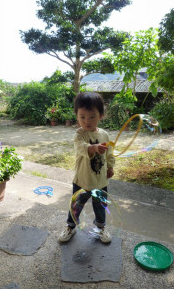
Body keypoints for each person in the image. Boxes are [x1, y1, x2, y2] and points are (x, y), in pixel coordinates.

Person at [58, 92, 115, 243]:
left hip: (101, 180)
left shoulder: (105, 135)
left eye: (92, 116)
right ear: (77, 115)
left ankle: (101, 228)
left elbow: (109, 154)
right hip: (82, 180)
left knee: (100, 206)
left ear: (101, 116)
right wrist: (94, 147)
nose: (86, 121)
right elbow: (81, 148)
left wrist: (110, 167)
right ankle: (70, 226)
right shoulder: (79, 134)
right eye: (82, 116)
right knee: (76, 205)